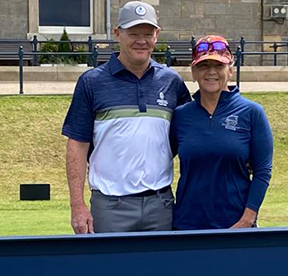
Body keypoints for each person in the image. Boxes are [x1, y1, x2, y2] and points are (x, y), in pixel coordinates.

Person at [62, 1, 191, 234]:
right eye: (133, 33)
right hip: (110, 206)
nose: (140, 41)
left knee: (160, 270)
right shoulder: (92, 82)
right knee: (109, 271)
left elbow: (191, 136)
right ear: (117, 34)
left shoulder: (172, 82)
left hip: (160, 205)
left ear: (157, 35)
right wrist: (77, 205)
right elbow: (77, 146)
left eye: (147, 34)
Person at [170, 36, 273, 230]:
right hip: (187, 224)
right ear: (193, 72)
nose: (211, 72)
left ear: (231, 70)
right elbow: (161, 158)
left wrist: (247, 219)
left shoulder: (252, 113)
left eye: (218, 65)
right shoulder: (181, 116)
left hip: (235, 225)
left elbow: (262, 171)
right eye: (203, 66)